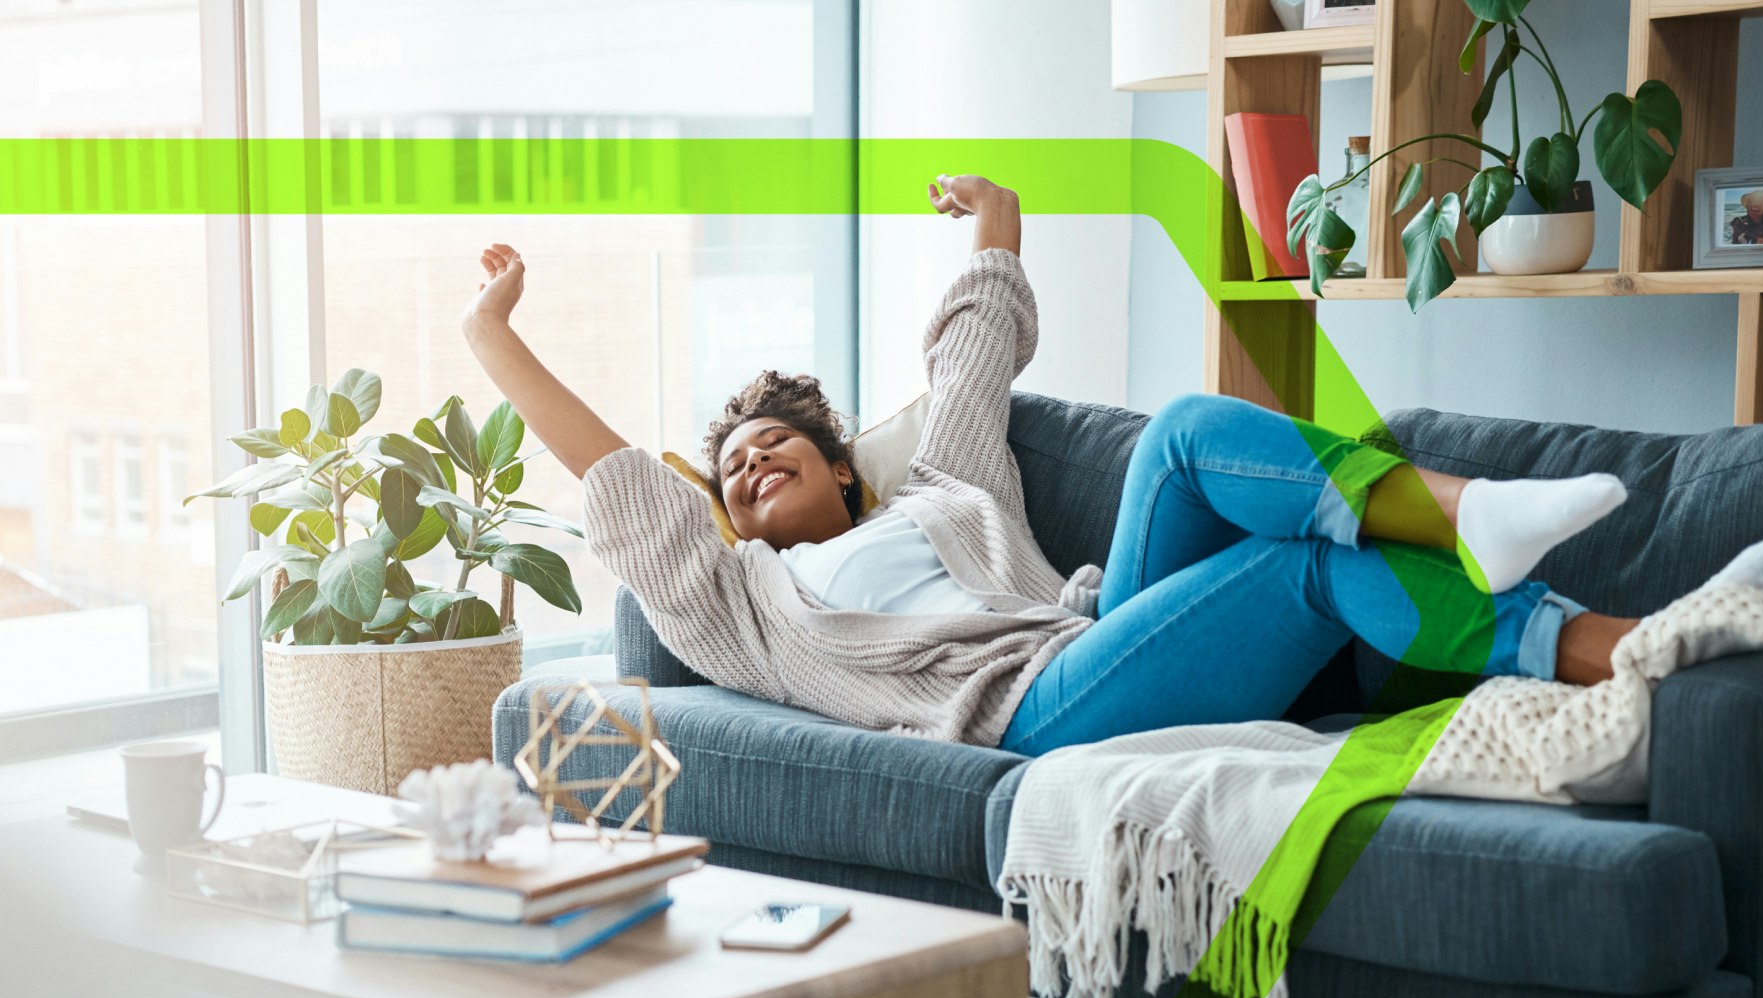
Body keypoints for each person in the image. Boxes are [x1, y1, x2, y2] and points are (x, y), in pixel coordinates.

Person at [460, 173, 1639, 756]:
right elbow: (616, 479)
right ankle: (1605, 648)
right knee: (1303, 571)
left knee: (1182, 429)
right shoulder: (740, 605)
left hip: (1093, 643)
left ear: (847, 470)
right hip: (1026, 715)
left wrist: (998, 217)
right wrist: (490, 337)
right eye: (731, 477)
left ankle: (1477, 515)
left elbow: (972, 355)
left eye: (777, 445)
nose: (752, 463)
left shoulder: (941, 491)